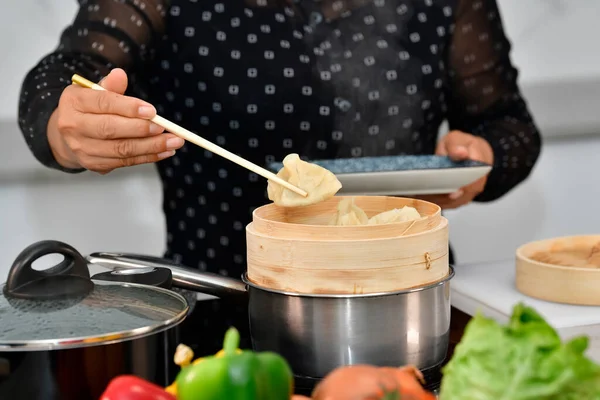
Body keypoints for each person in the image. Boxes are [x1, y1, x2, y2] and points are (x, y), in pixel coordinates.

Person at [18, 0, 541, 356]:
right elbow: (64, 72)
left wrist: (482, 157)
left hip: (408, 317)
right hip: (223, 321)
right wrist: (62, 125)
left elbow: (509, 125)